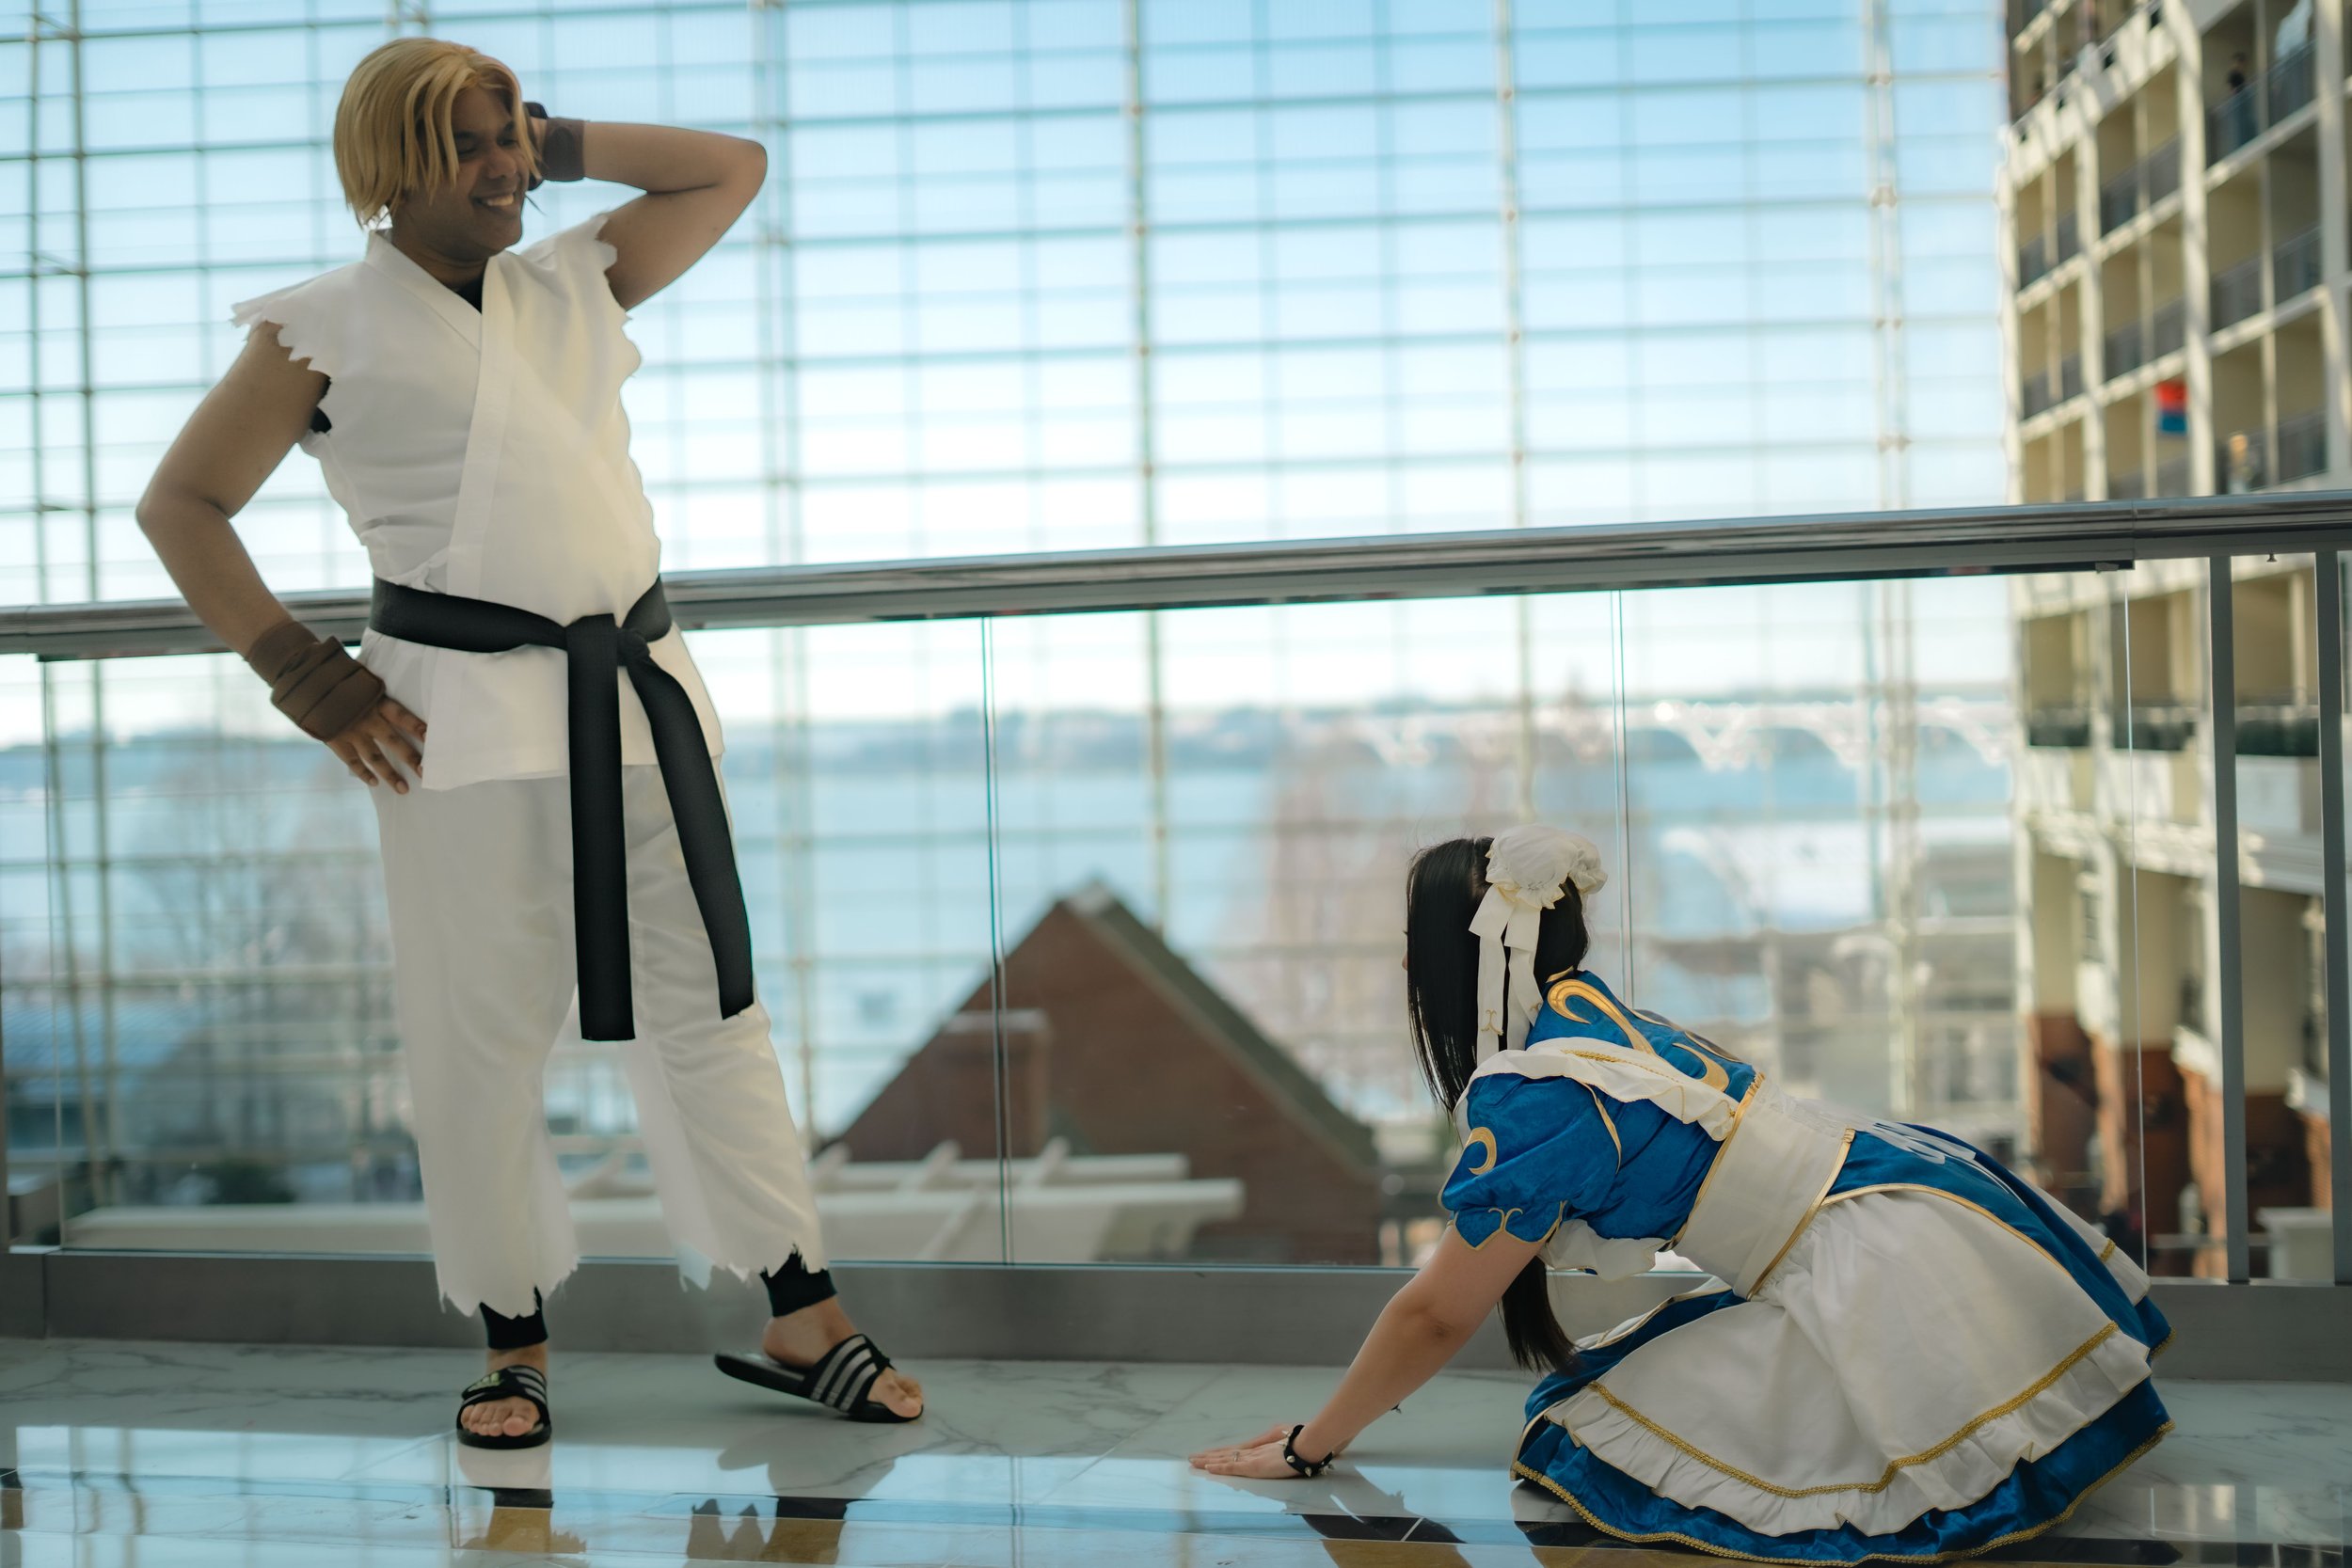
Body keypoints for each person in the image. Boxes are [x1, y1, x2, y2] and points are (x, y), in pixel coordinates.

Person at [134, 37, 922, 1448]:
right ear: (391, 166)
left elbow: (729, 167)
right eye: (468, 145)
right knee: (481, 1033)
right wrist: (307, 676)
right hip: (451, 720)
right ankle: (513, 1340)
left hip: (640, 702)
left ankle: (801, 1307)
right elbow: (182, 503)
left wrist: (545, 143)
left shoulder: (575, 277)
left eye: (513, 138)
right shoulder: (317, 328)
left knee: (713, 1006)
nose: (504, 169)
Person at [1191, 827, 2169, 1563]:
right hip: (1902, 1189)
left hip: (1866, 1256)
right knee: (1603, 1403)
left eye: (1417, 939)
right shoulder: (1595, 1014)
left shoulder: (1539, 1093)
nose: (1408, 962)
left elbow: (1438, 1310)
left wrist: (1311, 1445)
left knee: (1589, 1437)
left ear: (1467, 955)